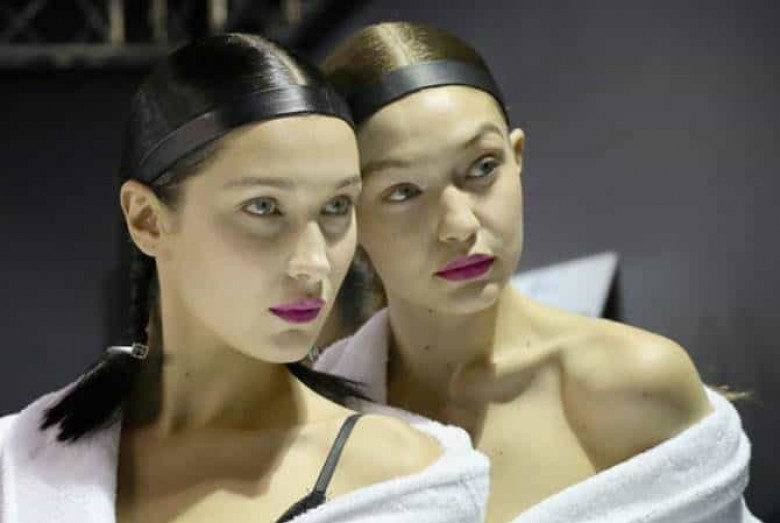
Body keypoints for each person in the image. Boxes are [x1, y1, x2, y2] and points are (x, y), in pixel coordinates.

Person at [0, 33, 489, 523]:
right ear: (147, 220)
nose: (314, 262)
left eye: (337, 206)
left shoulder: (407, 482)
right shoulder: (15, 465)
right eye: (264, 207)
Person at [314, 22, 759, 523]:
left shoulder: (635, 385)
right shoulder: (315, 418)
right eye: (404, 191)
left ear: (517, 157)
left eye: (482, 167)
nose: (459, 226)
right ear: (344, 215)